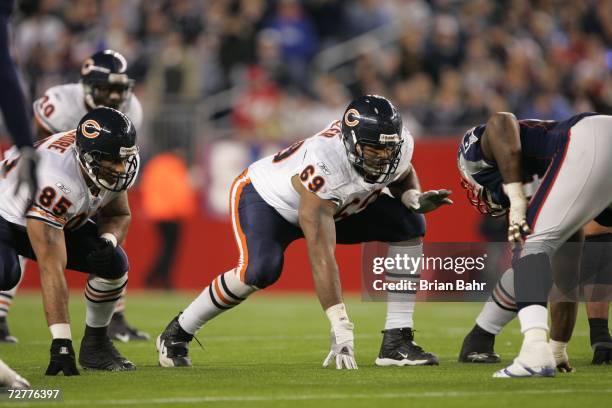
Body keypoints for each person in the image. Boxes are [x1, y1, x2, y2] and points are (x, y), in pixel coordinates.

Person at [156, 95, 452, 369]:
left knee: (410, 224)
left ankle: (396, 342)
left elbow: (401, 172)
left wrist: (412, 197)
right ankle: (177, 333)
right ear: (350, 142)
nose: (383, 156)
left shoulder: (394, 146)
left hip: (338, 204)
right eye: (374, 148)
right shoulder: (325, 164)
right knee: (260, 271)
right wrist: (340, 324)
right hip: (268, 199)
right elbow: (322, 253)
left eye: (389, 148)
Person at [0, 49, 149, 343]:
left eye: (120, 89)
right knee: (18, 259)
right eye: (106, 88)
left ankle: (111, 321)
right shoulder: (60, 104)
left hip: (82, 177)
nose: (114, 96)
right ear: (88, 86)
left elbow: (117, 202)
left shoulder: (131, 112)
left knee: (112, 255)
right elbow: (33, 145)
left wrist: (108, 237)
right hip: (35, 178)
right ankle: (2, 312)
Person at [456, 111, 612, 377]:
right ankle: (545, 349)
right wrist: (559, 347)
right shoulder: (556, 184)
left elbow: (501, 120)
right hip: (597, 142)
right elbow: (566, 279)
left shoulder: (472, 159)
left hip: (588, 139)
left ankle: (533, 352)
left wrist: (515, 196)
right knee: (541, 248)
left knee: (530, 243)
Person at [0, 107, 139, 375]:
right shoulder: (56, 180)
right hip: (5, 218)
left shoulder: (107, 160)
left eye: (124, 158)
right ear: (89, 156)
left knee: (113, 262)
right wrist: (61, 343)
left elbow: (119, 213)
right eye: (113, 160)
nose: (122, 168)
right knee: (5, 274)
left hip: (52, 215)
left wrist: (108, 240)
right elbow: (50, 266)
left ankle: (96, 346)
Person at [141, 148, 197, 289]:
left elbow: (148, 188)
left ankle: (157, 278)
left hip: (157, 213)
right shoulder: (175, 166)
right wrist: (184, 210)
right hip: (171, 214)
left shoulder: (155, 165)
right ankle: (158, 278)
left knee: (165, 248)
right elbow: (178, 192)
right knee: (170, 250)